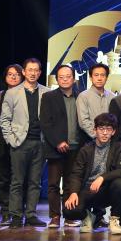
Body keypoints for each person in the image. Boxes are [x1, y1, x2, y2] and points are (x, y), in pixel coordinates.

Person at [0, 58, 50, 228]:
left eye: (36, 70)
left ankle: (31, 215)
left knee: (35, 182)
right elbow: (4, 120)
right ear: (24, 72)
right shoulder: (12, 93)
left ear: (40, 72)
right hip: (20, 143)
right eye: (30, 70)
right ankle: (15, 216)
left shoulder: (47, 92)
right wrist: (11, 140)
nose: (33, 73)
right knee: (17, 181)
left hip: (40, 143)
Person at [63, 112, 121, 235]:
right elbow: (76, 174)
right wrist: (73, 193)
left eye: (108, 129)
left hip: (108, 190)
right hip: (88, 190)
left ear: (113, 132)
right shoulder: (85, 150)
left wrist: (102, 178)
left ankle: (114, 220)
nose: (105, 133)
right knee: (69, 210)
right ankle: (88, 217)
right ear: (95, 130)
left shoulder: (119, 147)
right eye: (101, 129)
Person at [38, 64, 83, 228]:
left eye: (68, 76)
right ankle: (55, 216)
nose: (64, 79)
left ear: (74, 79)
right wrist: (57, 141)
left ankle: (69, 216)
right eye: (61, 77)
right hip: (55, 147)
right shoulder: (49, 97)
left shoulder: (80, 96)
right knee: (53, 184)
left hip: (76, 147)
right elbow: (45, 123)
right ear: (57, 79)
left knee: (72, 184)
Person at [0, 63, 23, 226]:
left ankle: (18, 212)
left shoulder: (25, 94)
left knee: (18, 179)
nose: (13, 77)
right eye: (10, 74)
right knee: (3, 180)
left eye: (17, 74)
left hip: (19, 142)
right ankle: (5, 212)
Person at [76, 63, 113, 139]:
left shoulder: (112, 96)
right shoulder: (83, 96)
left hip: (110, 139)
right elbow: (83, 121)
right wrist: (98, 135)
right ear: (90, 77)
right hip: (90, 139)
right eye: (96, 75)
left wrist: (108, 134)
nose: (99, 78)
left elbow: (114, 119)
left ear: (106, 78)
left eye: (102, 75)